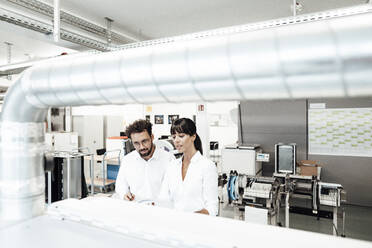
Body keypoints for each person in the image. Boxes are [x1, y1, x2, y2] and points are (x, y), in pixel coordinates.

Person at [158, 118, 218, 216]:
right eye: (174, 137)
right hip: (173, 224)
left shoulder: (207, 166)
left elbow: (212, 207)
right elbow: (163, 198)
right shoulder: (172, 166)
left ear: (193, 137)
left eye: (181, 136)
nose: (176, 140)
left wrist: (192, 218)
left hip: (197, 226)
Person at [114, 119, 174, 202]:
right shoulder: (127, 160)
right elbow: (120, 185)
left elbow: (174, 189)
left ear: (152, 137)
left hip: (160, 210)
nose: (141, 147)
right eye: (136, 143)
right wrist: (124, 194)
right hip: (136, 209)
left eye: (144, 141)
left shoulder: (169, 159)